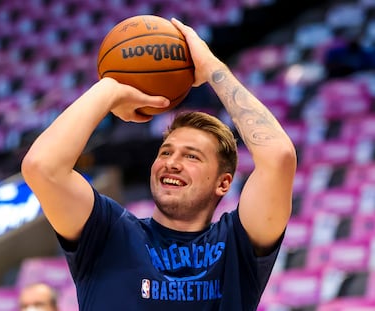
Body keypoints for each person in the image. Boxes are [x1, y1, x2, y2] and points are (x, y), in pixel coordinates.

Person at [21, 18, 297, 310]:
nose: (172, 163)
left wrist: (213, 69)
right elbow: (42, 167)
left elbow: (278, 157)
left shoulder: (237, 246)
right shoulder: (108, 232)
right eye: (165, 152)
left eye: (191, 156)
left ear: (224, 183)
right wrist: (110, 89)